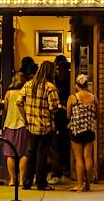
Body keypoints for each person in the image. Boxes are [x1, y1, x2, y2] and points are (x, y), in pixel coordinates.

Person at [20, 60, 59, 190]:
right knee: (42, 155)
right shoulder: (50, 87)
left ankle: (27, 181)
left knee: (31, 154)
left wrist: (25, 117)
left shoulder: (28, 84)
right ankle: (41, 183)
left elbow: (19, 102)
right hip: (45, 126)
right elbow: (53, 107)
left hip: (31, 125)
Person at [67, 74, 97, 192]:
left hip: (77, 130)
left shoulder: (73, 97)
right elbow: (97, 114)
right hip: (89, 129)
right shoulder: (93, 98)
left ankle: (80, 185)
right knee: (88, 157)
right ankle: (88, 184)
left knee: (79, 158)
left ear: (76, 85)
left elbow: (68, 115)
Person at [2, 72, 30, 187]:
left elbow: (5, 108)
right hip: (22, 124)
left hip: (9, 124)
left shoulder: (8, 93)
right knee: (23, 153)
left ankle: (12, 180)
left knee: (10, 154)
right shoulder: (25, 93)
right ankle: (22, 180)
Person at [51, 55, 72, 183]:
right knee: (57, 144)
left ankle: (66, 167)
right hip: (57, 116)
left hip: (66, 116)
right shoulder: (54, 81)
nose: (59, 72)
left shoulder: (68, 81)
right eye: (57, 69)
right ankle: (59, 169)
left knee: (64, 142)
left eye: (61, 69)